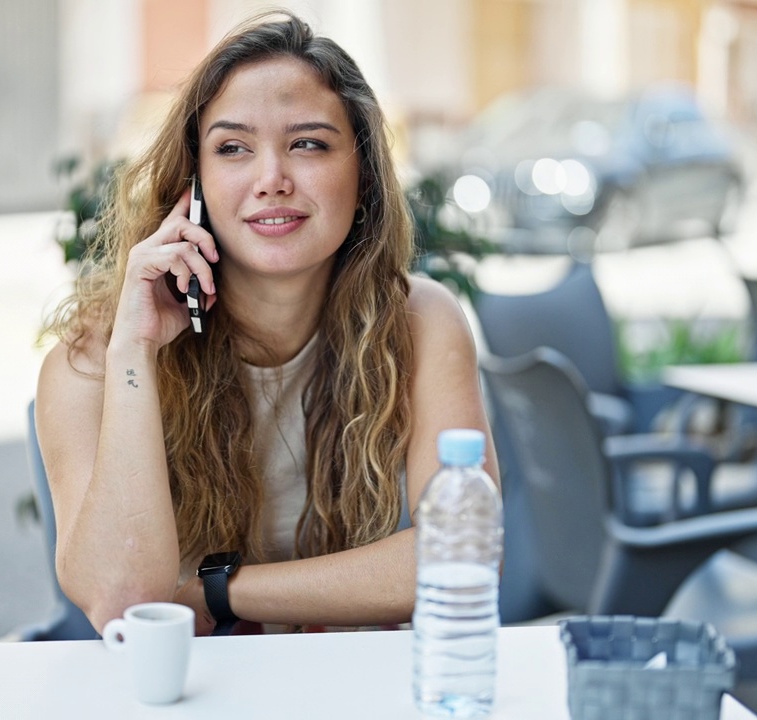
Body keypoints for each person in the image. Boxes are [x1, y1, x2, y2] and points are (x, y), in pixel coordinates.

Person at [37, 10, 497, 636]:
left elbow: (460, 558)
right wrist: (135, 353)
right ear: (191, 186)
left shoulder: (421, 322)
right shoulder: (96, 358)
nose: (272, 180)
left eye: (308, 143)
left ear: (362, 178)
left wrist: (216, 592)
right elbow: (121, 599)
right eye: (233, 148)